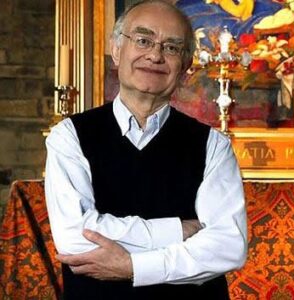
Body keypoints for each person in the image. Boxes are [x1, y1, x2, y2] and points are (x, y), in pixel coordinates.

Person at [45, 1, 247, 299]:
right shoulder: (69, 136)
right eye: (143, 40)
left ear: (186, 65)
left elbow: (228, 247)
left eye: (172, 48)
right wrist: (177, 231)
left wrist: (133, 267)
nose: (154, 55)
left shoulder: (213, 146)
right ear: (116, 49)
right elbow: (75, 239)